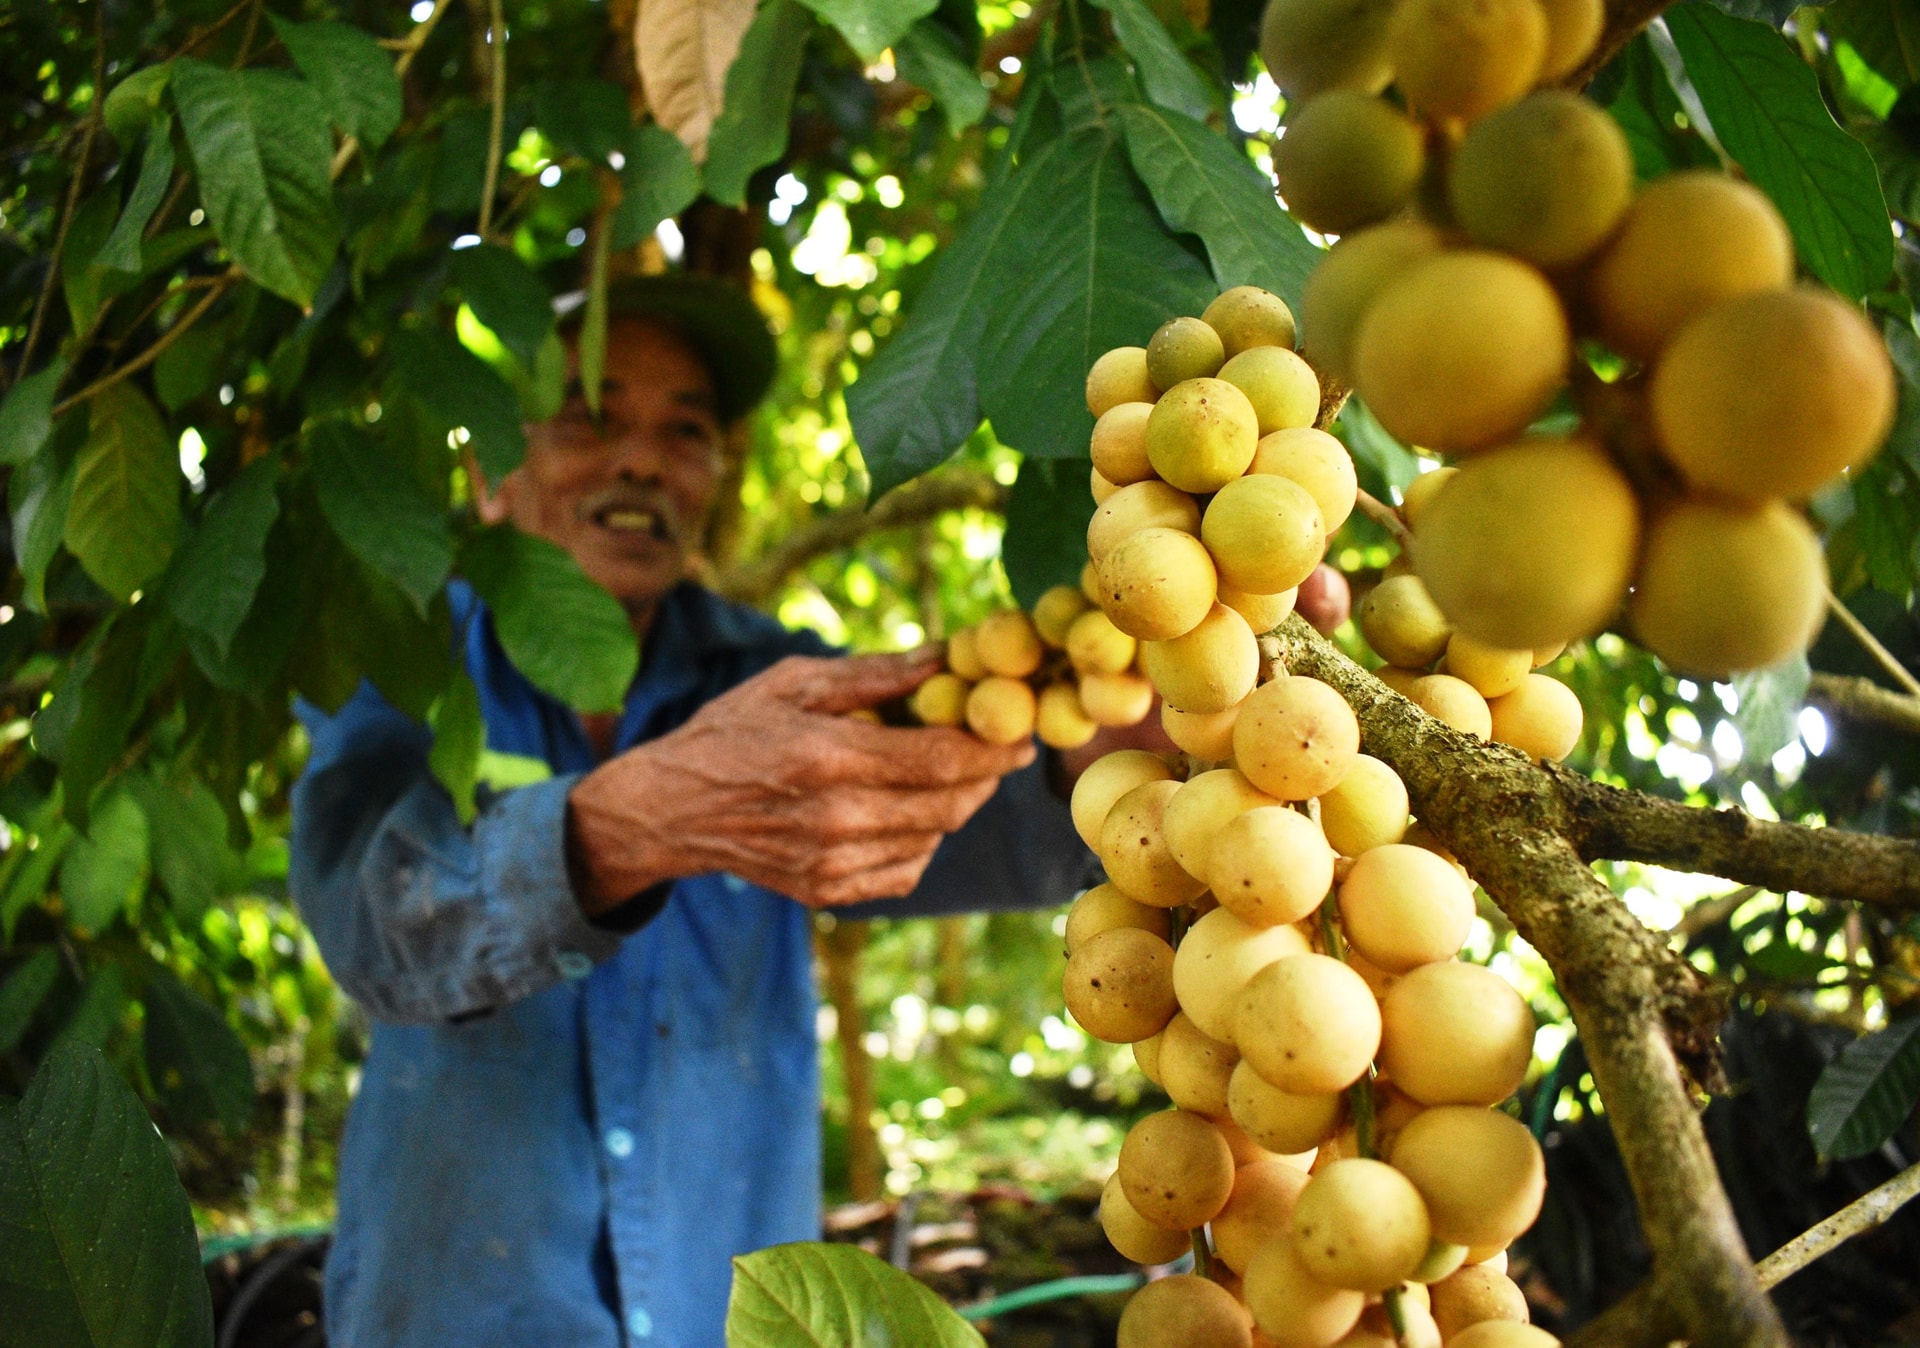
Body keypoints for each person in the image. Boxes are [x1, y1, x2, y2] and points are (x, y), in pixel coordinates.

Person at [290, 274, 1105, 1348]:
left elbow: (979, 820)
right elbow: (368, 924)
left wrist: (1088, 760)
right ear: (492, 473)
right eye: (594, 416)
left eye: (685, 430)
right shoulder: (402, 660)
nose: (642, 460)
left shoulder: (777, 683)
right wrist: (628, 825)